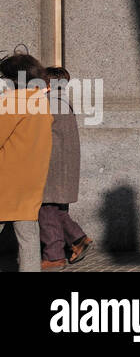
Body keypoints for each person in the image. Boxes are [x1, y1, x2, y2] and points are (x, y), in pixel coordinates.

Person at [0, 53, 52, 272]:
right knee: (28, 236)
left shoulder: (12, 100)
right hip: (32, 177)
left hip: (6, 175)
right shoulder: (41, 100)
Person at [38, 67, 91, 270]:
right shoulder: (62, 101)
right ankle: (78, 239)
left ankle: (53, 256)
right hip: (62, 166)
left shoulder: (49, 103)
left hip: (50, 166)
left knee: (46, 210)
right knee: (54, 209)